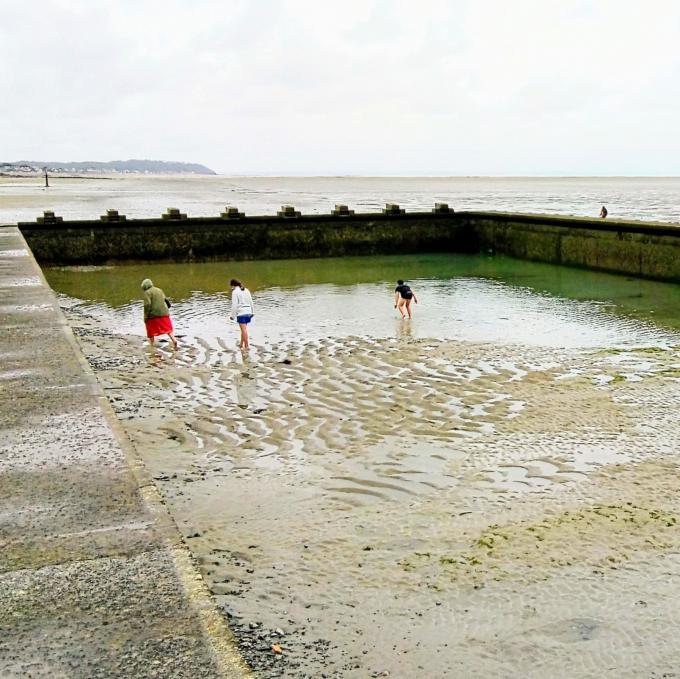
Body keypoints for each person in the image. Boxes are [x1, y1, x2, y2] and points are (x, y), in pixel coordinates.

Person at [141, 278, 177, 348]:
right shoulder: (159, 290)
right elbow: (166, 300)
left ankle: (151, 344)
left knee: (150, 329)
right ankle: (174, 339)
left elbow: (147, 305)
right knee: (168, 328)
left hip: (153, 315)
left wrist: (146, 316)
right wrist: (168, 307)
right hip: (164, 313)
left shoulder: (147, 292)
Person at [229, 278, 255, 349]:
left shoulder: (235, 292)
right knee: (244, 330)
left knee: (243, 330)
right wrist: (253, 312)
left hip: (241, 313)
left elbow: (234, 305)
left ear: (233, 285)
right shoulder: (246, 290)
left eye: (231, 286)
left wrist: (232, 316)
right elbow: (251, 301)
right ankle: (241, 344)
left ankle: (246, 346)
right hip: (248, 312)